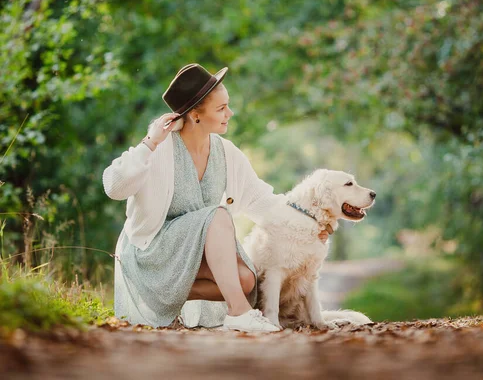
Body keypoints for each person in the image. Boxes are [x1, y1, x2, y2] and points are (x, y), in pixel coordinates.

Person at [103, 64, 330, 332]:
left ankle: (158, 298)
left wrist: (310, 222)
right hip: (151, 251)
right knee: (218, 215)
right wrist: (149, 142)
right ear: (196, 115)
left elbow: (264, 202)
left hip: (191, 255)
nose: (229, 113)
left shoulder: (226, 153)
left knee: (246, 279)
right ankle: (239, 312)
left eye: (228, 106)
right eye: (221, 108)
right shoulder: (160, 149)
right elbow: (114, 187)